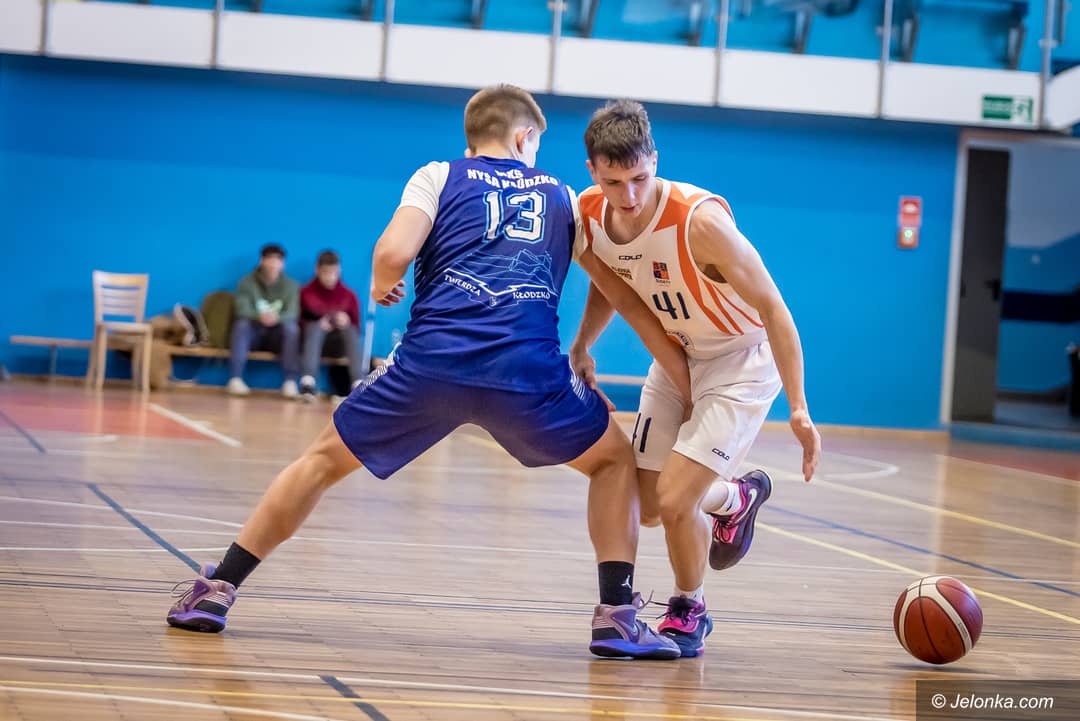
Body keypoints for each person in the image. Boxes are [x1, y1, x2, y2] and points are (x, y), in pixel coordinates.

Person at [167, 85, 693, 660]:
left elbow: (393, 253)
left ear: (472, 140)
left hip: (431, 365)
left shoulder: (439, 176)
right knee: (613, 461)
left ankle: (218, 589)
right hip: (526, 371)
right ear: (525, 137)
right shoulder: (565, 197)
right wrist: (640, 367)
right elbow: (620, 292)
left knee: (320, 461)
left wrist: (379, 282)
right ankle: (616, 615)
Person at [569, 99, 821, 657]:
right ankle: (735, 498)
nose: (629, 197)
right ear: (593, 171)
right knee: (648, 505)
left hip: (740, 361)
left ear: (655, 161)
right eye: (613, 182)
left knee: (677, 499)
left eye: (640, 178)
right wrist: (583, 343)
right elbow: (613, 287)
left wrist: (799, 407)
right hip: (677, 354)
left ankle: (690, 608)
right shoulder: (589, 214)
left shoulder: (699, 222)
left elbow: (774, 308)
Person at [228, 243, 301, 398]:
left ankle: (290, 381)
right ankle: (235, 378)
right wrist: (258, 316)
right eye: (270, 259)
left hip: (277, 337)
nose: (273, 264)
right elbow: (242, 309)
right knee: (241, 325)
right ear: (262, 261)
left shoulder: (291, 285)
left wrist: (277, 318)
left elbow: (293, 312)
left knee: (292, 328)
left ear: (283, 263)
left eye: (277, 260)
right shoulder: (246, 282)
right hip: (254, 333)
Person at [299, 250, 364, 401]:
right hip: (312, 344)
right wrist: (320, 322)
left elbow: (357, 328)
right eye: (326, 272)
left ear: (339, 271)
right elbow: (299, 323)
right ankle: (308, 382)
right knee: (314, 327)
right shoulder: (305, 292)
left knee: (350, 330)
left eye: (333, 272)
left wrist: (346, 320)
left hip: (340, 345)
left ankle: (358, 383)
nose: (330, 277)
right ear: (317, 270)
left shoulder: (349, 295)